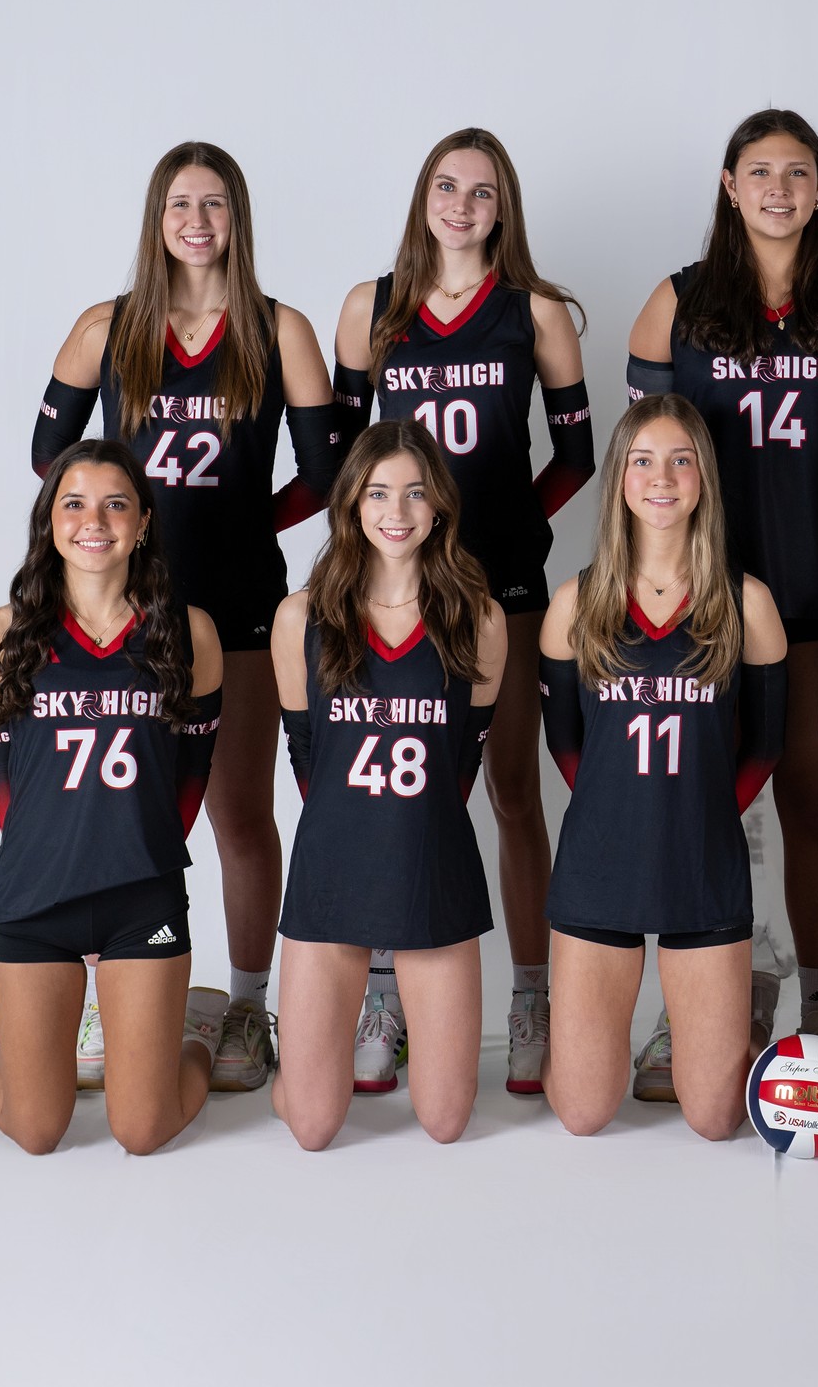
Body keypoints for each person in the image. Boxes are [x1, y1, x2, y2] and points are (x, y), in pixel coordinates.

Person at [32, 141, 341, 1093]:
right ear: (156, 218)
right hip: (125, 608)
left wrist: (246, 517)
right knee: (115, 813)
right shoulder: (107, 326)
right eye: (179, 204)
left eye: (213, 204)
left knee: (240, 813)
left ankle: (247, 1004)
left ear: (236, 217)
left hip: (240, 600)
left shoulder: (279, 329)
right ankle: (106, 994)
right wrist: (120, 529)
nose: (197, 222)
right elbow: (52, 458)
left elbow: (329, 478)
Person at [627, 109, 818, 1067]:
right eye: (759, 171)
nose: (778, 189)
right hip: (702, 597)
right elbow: (650, 464)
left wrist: (808, 536)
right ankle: (702, 1008)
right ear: (728, 184)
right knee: (700, 805)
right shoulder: (675, 303)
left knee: (812, 804)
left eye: (797, 172)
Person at [333, 127, 594, 1096]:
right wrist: (391, 543)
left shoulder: (535, 311)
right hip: (393, 584)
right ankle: (385, 992)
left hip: (501, 584)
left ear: (502, 208)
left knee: (513, 788)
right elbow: (345, 463)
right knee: (394, 792)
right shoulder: (372, 307)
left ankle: (532, 996)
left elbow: (577, 454)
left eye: (482, 192)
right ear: (423, 197)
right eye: (446, 186)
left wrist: (510, 525)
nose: (461, 205)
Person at [538, 395, 786, 1139]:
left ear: (704, 477)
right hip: (599, 867)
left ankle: (744, 1012)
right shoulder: (576, 602)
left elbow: (763, 746)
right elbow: (567, 745)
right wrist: (622, 812)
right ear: (620, 478)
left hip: (702, 865)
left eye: (682, 460)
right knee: (584, 1114)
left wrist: (698, 813)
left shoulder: (746, 602)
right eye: (643, 460)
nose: (663, 477)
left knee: (714, 1117)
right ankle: (581, 1041)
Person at [0, 441, 226, 1154]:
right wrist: (67, 868)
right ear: (49, 521)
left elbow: (188, 785)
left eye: (115, 504)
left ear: (142, 522)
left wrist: (123, 861)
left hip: (141, 898)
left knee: (142, 1131)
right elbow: (8, 789)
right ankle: (32, 1055)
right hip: (35, 899)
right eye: (74, 503)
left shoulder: (188, 632)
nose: (94, 521)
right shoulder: (2, 634)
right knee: (36, 1130)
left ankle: (198, 1035)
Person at [269, 420, 505, 1148]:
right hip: (331, 875)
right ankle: (293, 1055)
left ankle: (387, 1023)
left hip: (433, 872)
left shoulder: (478, 619)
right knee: (312, 1127)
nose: (396, 511)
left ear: (439, 505)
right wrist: (361, 830)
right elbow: (307, 757)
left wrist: (407, 834)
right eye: (376, 493)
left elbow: (462, 762)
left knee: (444, 1121)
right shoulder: (302, 616)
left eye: (414, 492)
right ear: (350, 502)